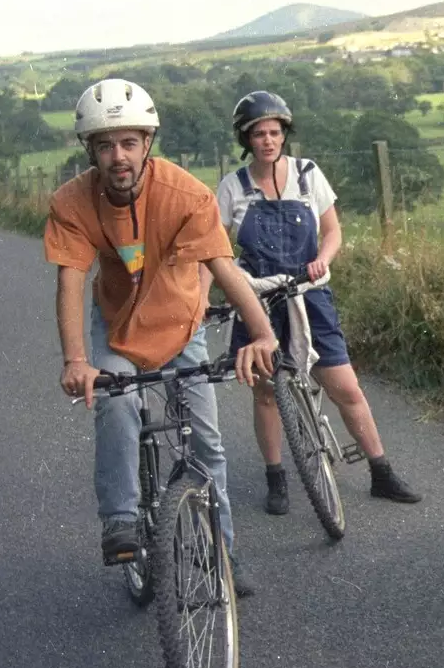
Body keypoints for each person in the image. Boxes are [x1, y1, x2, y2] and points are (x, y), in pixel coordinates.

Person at [45, 79, 278, 597]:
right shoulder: (72, 202)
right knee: (116, 399)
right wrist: (76, 360)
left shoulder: (185, 194)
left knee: (207, 444)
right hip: (118, 325)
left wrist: (262, 335)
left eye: (129, 143)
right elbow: (70, 279)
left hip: (179, 321)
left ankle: (224, 553)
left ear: (147, 142)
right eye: (104, 145)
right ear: (90, 151)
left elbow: (224, 267)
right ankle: (122, 520)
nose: (118, 156)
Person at [215, 91, 420, 515]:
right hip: (260, 302)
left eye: (275, 132)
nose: (268, 141)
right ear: (246, 139)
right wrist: (205, 296)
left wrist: (321, 261)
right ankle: (277, 478)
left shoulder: (308, 175)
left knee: (346, 387)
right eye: (259, 134)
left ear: (284, 135)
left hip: (311, 299)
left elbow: (332, 232)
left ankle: (381, 471)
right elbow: (213, 250)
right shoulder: (233, 187)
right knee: (268, 394)